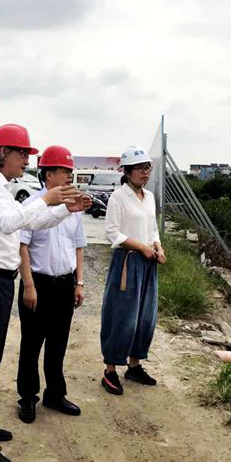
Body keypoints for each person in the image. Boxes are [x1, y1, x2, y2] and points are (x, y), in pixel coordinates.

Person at [0, 124, 90, 462]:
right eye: (22, 153)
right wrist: (47, 200)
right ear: (2, 152)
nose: (26, 161)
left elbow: (28, 223)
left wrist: (65, 210)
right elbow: (8, 223)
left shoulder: (3, 187)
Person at [17, 145, 87, 423]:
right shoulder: (32, 206)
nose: (69, 176)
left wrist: (79, 283)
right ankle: (27, 397)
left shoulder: (74, 207)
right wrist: (29, 285)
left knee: (58, 343)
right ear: (48, 174)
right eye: (64, 171)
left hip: (64, 284)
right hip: (39, 284)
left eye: (71, 170)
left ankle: (55, 394)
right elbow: (22, 247)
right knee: (31, 343)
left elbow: (78, 246)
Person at [100, 146, 166, 396]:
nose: (144, 172)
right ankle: (110, 370)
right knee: (122, 315)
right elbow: (111, 232)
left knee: (145, 316)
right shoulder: (118, 197)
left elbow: (153, 228)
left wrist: (158, 246)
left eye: (147, 167)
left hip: (149, 262)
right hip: (128, 261)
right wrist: (140, 247)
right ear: (127, 172)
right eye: (139, 168)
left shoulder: (149, 197)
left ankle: (135, 365)